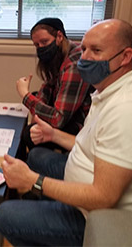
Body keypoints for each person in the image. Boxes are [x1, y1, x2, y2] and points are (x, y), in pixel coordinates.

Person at [0, 19, 132, 246]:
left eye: (96, 50)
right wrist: (53, 135)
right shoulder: (107, 93)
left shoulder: (131, 110)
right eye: (84, 48)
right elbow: (90, 142)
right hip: (87, 177)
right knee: (37, 155)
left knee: (5, 215)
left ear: (125, 56)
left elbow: (103, 198)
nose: (84, 57)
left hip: (102, 217)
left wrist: (33, 181)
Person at [16, 18, 92, 152]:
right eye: (37, 45)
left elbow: (58, 118)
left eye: (44, 42)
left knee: (30, 133)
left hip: (80, 121)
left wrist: (25, 95)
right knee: (36, 99)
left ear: (59, 36)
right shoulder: (64, 51)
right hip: (68, 109)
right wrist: (36, 109)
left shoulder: (75, 64)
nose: (41, 48)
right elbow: (49, 84)